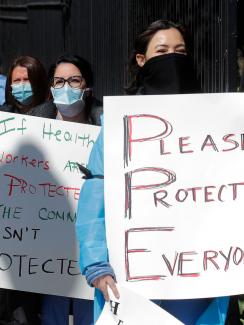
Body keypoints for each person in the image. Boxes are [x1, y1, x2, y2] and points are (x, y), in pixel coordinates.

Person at [76, 20, 229, 325]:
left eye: (180, 51)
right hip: (132, 279)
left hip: (202, 280)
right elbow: (96, 197)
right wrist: (97, 266)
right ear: (141, 60)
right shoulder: (120, 127)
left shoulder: (218, 125)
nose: (173, 57)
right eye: (162, 51)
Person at [41, 54, 102, 325]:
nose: (66, 86)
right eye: (59, 81)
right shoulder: (33, 127)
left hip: (91, 246)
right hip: (43, 250)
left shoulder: (104, 128)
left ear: (87, 87)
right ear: (51, 88)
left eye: (74, 80)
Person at [0, 55, 56, 324]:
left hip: (42, 223)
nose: (21, 85)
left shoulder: (56, 116)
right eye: (16, 81)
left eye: (27, 79)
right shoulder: (3, 116)